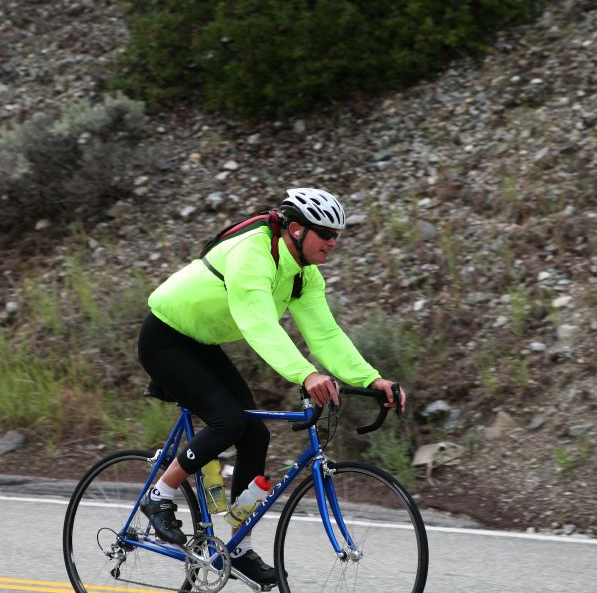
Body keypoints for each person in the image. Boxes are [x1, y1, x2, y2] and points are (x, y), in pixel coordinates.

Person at [136, 187, 406, 585]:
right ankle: (159, 495)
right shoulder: (253, 253)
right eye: (325, 234)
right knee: (228, 420)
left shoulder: (303, 276)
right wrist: (306, 374)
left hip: (203, 342)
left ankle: (236, 546)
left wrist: (371, 378)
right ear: (296, 229)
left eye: (337, 236)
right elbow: (258, 324)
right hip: (166, 338)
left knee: (255, 434)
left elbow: (325, 335)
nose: (333, 242)